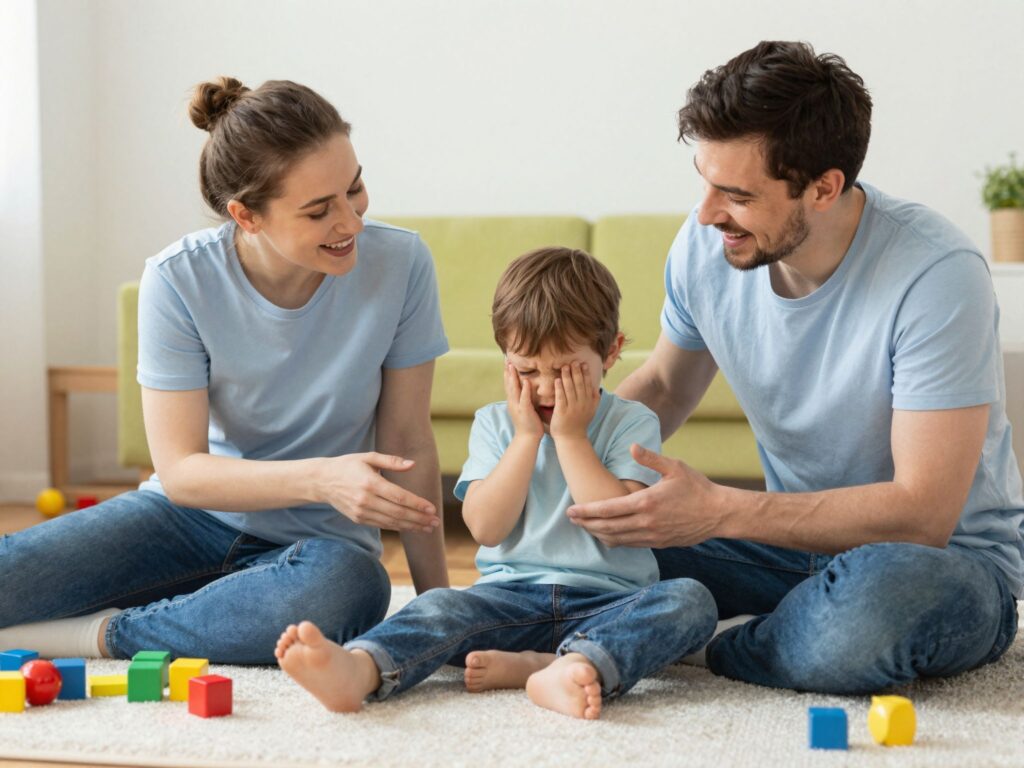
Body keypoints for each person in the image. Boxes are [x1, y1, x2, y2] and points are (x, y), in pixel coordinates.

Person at [560, 41, 1023, 694]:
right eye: (705, 180)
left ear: (824, 187)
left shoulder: (936, 275)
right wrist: (567, 456)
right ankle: (770, 630)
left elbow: (923, 514)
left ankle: (706, 641)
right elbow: (664, 385)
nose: (707, 212)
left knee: (867, 618)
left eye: (737, 194)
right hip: (784, 553)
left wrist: (718, 510)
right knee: (586, 541)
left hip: (940, 567)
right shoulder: (706, 246)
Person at [0, 77, 450, 663]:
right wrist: (321, 478)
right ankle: (198, 616)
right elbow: (183, 472)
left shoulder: (402, 264)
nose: (352, 222)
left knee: (351, 588)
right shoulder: (178, 279)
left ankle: (94, 636)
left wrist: (440, 602)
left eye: (355, 188)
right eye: (320, 211)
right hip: (183, 520)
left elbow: (408, 440)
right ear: (246, 215)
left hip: (317, 550)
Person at [275, 247, 717, 719]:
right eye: (527, 371)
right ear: (506, 361)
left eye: (566, 371)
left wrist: (569, 437)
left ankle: (573, 665)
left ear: (610, 353)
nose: (545, 388)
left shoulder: (632, 421)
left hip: (609, 603)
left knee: (690, 601)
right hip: (508, 601)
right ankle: (360, 670)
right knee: (441, 607)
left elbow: (615, 525)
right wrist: (527, 437)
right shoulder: (494, 424)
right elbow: (486, 528)